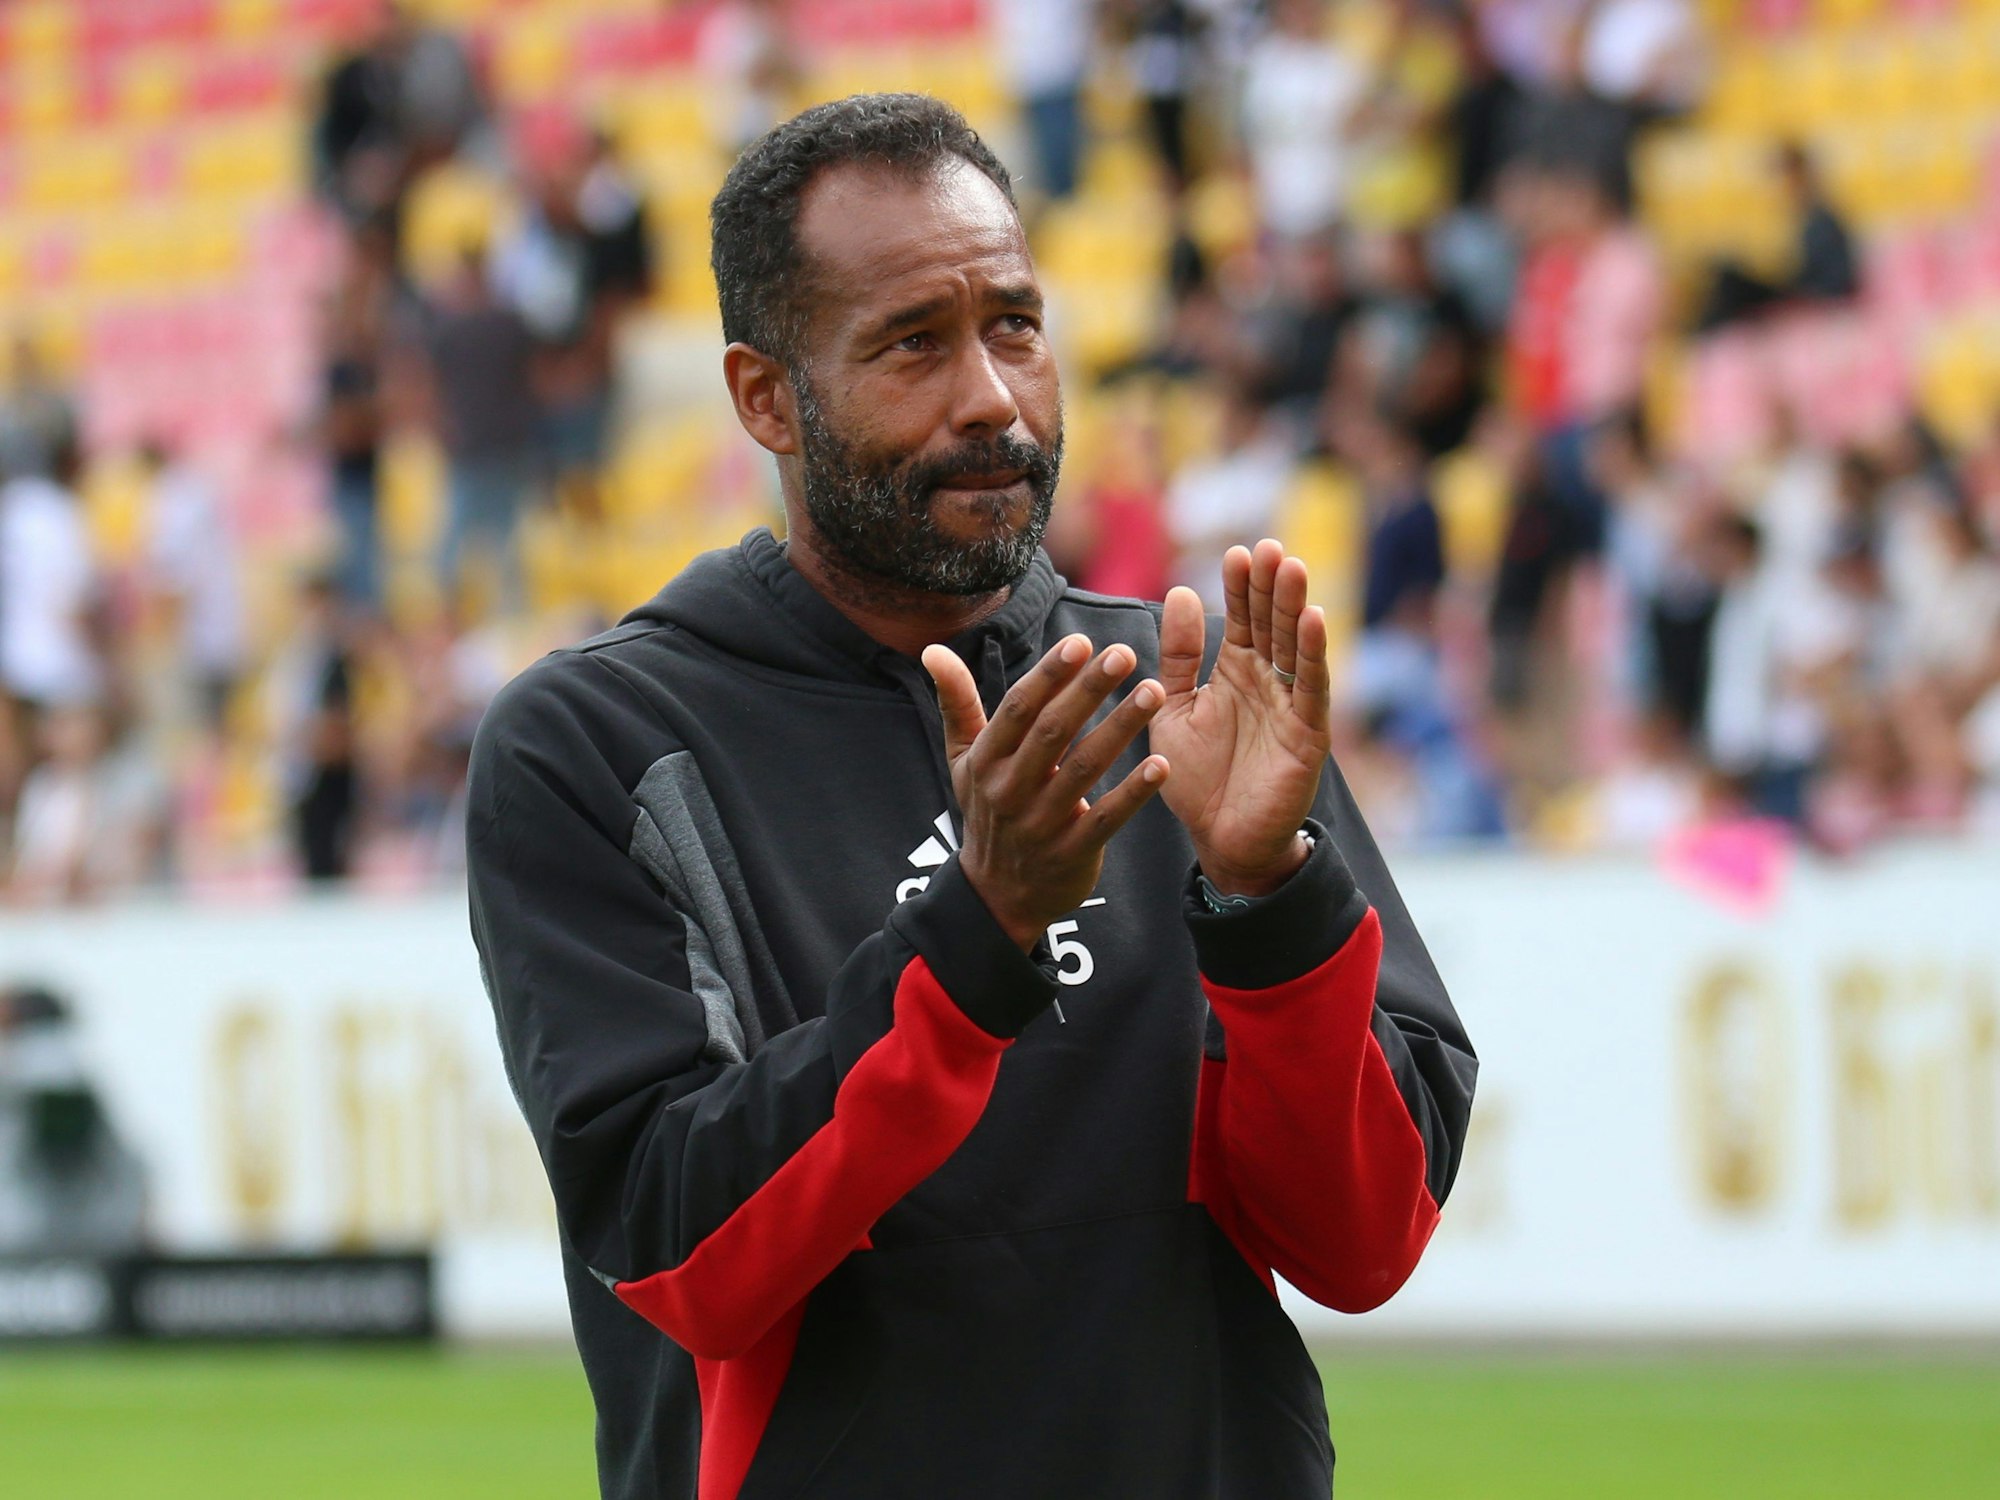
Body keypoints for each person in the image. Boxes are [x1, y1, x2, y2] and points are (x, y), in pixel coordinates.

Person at [468, 94, 1474, 1500]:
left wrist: (1270, 899)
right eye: (911, 345)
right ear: (766, 396)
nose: (992, 397)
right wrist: (973, 937)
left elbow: (1362, 1247)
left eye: (1014, 324)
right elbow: (675, 1254)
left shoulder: (1186, 693)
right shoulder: (601, 743)